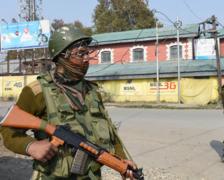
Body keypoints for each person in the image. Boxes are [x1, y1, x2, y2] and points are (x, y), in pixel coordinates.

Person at [0, 25, 137, 179]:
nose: (86, 59)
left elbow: (110, 132)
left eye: (87, 53)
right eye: (80, 54)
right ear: (61, 56)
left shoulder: (92, 91)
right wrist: (30, 146)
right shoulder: (37, 91)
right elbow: (8, 131)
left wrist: (121, 159)